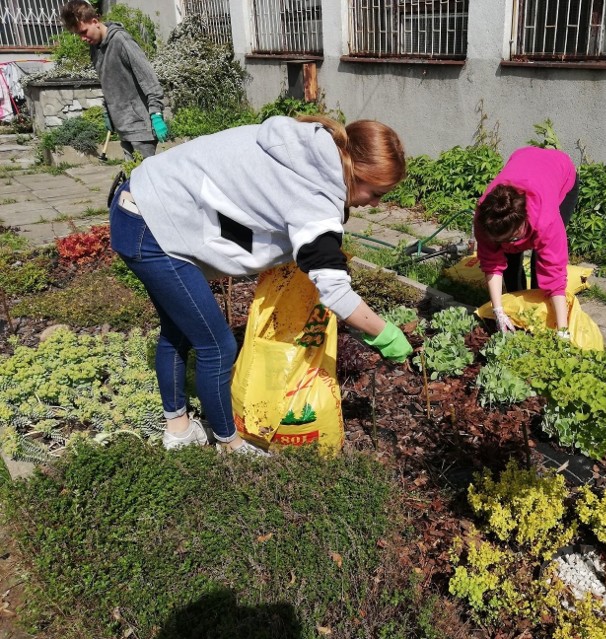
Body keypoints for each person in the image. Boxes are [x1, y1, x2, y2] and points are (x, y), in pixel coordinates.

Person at [109, 115, 413, 454]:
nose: (375, 204)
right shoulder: (316, 197)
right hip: (153, 226)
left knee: (178, 330)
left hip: (139, 202)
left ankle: (178, 430)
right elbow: (336, 292)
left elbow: (247, 211)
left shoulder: (307, 147)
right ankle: (230, 446)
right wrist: (383, 332)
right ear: (357, 172)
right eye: (376, 193)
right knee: (218, 347)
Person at [473, 146, 579, 335]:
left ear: (523, 222)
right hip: (524, 158)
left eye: (513, 238)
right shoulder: (486, 216)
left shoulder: (546, 220)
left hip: (560, 172)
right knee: (511, 262)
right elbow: (491, 263)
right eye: (502, 241)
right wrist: (498, 310)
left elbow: (554, 273)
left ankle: (543, 317)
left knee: (542, 262)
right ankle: (516, 310)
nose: (509, 244)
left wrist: (563, 330)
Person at [60, 0, 168, 160]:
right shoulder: (95, 49)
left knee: (146, 178)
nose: (82, 38)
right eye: (79, 35)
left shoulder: (121, 41)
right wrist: (108, 111)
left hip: (140, 127)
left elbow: (149, 79)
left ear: (95, 22)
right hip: (123, 126)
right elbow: (108, 83)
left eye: (84, 32)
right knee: (132, 177)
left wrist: (156, 114)